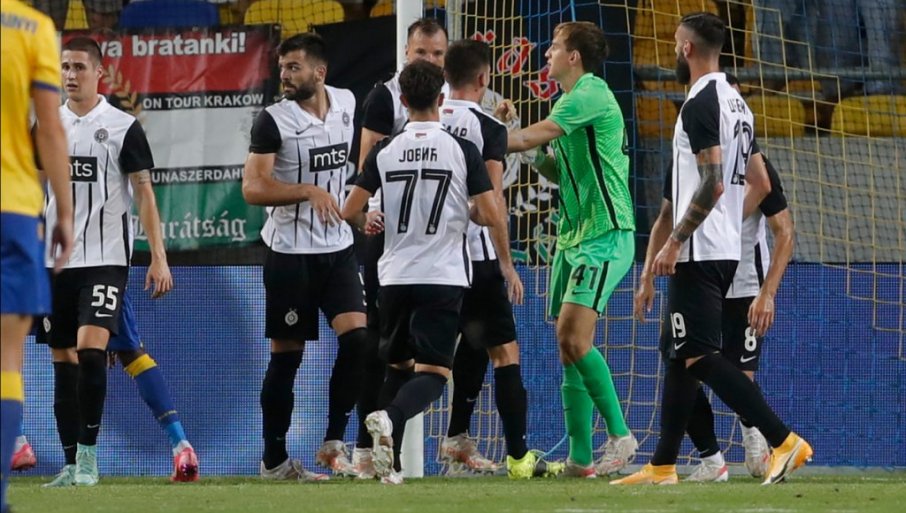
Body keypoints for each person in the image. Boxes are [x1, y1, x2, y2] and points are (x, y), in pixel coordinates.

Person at [612, 12, 811, 486]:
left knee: (700, 357)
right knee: (679, 356)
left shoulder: (700, 102)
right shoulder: (738, 104)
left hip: (699, 250)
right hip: (723, 248)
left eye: (674, 44)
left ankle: (783, 440)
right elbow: (757, 180)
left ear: (686, 48)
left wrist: (675, 242)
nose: (672, 51)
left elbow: (714, 183)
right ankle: (663, 465)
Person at [342, 59, 503, 485]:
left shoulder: (385, 149)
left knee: (398, 368)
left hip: (394, 276)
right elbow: (490, 214)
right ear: (441, 98)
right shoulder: (460, 149)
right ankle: (390, 418)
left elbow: (349, 209)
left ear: (403, 100)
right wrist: (466, 209)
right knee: (433, 374)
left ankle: (389, 467)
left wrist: (366, 220)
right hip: (441, 275)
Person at [502, 21, 639, 478]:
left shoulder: (590, 94)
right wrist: (515, 136)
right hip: (573, 237)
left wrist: (480, 133)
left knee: (574, 337)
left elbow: (526, 139)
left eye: (555, 47)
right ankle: (581, 460)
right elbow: (556, 170)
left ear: (574, 57)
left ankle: (620, 435)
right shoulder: (567, 102)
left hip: (605, 233)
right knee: (568, 347)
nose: (547, 54)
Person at [38, 35, 173, 487]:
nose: (70, 75)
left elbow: (144, 193)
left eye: (79, 67)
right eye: (65, 67)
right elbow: (33, 189)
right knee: (63, 361)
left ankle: (89, 458)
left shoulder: (122, 126)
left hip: (105, 260)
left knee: (92, 352)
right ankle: (70, 462)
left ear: (99, 72)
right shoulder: (46, 125)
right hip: (54, 262)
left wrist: (158, 257)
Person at [242, 32, 367, 481]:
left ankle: (333, 442)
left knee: (358, 341)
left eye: (293, 67)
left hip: (338, 249)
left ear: (320, 71)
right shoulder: (273, 121)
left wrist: (359, 209)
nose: (285, 75)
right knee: (287, 358)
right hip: (290, 254)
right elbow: (253, 187)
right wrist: (307, 191)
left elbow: (355, 166)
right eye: (282, 68)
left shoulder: (348, 103)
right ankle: (274, 460)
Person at [1, 1, 74, 509]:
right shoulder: (32, 27)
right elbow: (49, 127)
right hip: (12, 208)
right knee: (7, 359)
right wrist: (64, 211)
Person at [40, 290, 199, 486]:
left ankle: (75, 464)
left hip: (85, 279)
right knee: (127, 353)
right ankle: (180, 443)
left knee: (72, 355)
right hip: (99, 282)